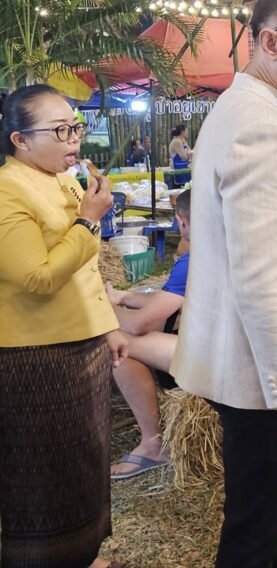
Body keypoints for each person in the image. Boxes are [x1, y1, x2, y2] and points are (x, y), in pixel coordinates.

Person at [172, 0, 277, 567]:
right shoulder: (260, 124)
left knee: (259, 523)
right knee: (255, 530)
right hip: (263, 380)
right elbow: (261, 279)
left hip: (254, 371)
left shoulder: (250, 108)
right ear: (270, 42)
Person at [0, 84, 129, 568]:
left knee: (85, 461)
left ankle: (82, 554)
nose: (74, 138)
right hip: (37, 357)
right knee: (44, 473)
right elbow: (38, 278)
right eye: (59, 131)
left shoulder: (66, 183)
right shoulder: (8, 190)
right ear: (20, 140)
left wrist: (107, 325)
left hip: (81, 345)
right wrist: (89, 221)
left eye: (75, 127)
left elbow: (84, 272)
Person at [107, 190, 191, 480]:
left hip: (215, 359)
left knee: (117, 340)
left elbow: (140, 325)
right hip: (235, 350)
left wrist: (100, 311)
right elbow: (169, 302)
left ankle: (153, 445)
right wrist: (124, 297)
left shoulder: (193, 260)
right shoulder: (223, 248)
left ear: (180, 222)